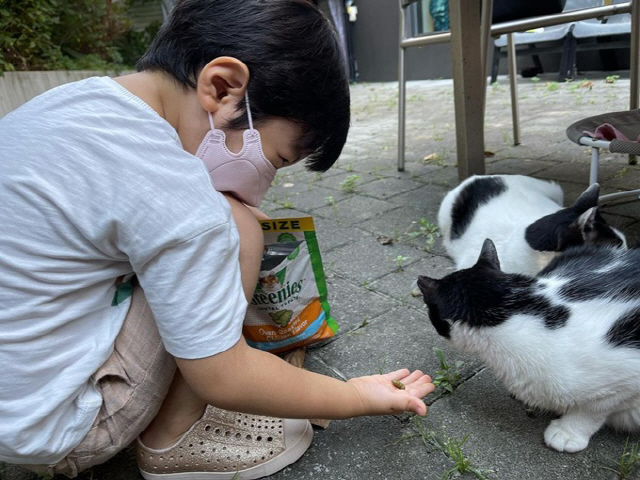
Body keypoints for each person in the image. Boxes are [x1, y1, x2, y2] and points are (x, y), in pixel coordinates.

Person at [0, 1, 434, 479]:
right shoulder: (173, 189)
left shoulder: (74, 104)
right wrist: (354, 397)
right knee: (239, 228)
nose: (266, 183)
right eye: (277, 158)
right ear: (223, 87)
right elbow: (223, 375)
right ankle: (175, 437)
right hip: (57, 425)